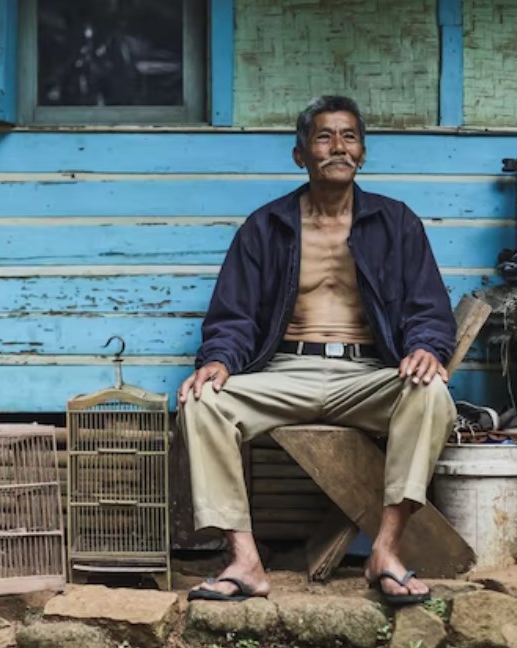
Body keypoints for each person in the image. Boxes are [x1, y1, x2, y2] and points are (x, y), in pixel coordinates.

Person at [178, 96, 457, 605]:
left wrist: (425, 349)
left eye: (349, 136)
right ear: (300, 154)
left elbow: (429, 309)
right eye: (324, 137)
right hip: (284, 370)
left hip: (365, 374)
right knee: (202, 402)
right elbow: (233, 316)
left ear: (363, 153)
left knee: (433, 393)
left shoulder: (397, 224)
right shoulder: (266, 227)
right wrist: (218, 361)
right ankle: (245, 561)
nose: (338, 147)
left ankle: (385, 552)